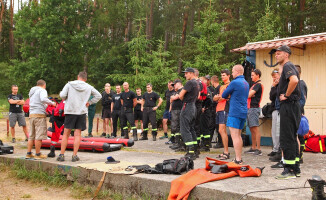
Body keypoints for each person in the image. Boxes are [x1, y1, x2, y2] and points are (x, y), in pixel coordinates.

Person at [57, 71, 101, 162]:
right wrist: (90, 102)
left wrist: (66, 97)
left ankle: (61, 155)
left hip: (70, 111)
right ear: (85, 79)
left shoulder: (69, 84)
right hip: (81, 112)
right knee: (77, 134)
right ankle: (74, 155)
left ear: (78, 77)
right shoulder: (89, 87)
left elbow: (62, 95)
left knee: (66, 134)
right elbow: (98, 95)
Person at [274, 45, 301, 179]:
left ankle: (289, 170)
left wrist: (286, 94)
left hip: (289, 105)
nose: (276, 55)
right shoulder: (286, 67)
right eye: (276, 53)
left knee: (287, 137)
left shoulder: (288, 66)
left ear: (286, 54)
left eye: (279, 53)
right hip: (292, 106)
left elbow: (294, 80)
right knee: (291, 136)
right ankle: (295, 168)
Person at [222, 65, 249, 164]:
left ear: (237, 72)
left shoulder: (234, 82)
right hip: (243, 111)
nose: (232, 73)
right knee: (239, 135)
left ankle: (238, 159)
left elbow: (224, 95)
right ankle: (239, 158)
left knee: (234, 136)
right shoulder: (246, 83)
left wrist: (230, 95)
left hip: (234, 111)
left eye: (233, 71)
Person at [26, 80, 56, 159]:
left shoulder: (32, 92)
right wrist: (52, 103)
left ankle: (28, 153)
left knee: (31, 135)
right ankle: (38, 154)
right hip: (39, 115)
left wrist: (46, 105)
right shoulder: (42, 90)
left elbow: (38, 102)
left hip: (31, 114)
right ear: (44, 85)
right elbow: (43, 99)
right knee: (39, 135)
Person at [179, 67, 199, 160]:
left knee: (185, 129)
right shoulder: (197, 83)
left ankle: (190, 152)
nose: (185, 75)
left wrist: (184, 101)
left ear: (191, 73)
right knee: (191, 129)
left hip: (187, 106)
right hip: (193, 106)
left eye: (186, 73)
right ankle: (195, 150)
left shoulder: (190, 82)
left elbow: (180, 95)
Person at [245, 69, 264, 156]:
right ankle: (253, 147)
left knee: (255, 128)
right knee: (252, 128)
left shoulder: (258, 85)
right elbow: (249, 95)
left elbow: (248, 95)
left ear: (257, 75)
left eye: (253, 75)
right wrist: (249, 94)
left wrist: (250, 94)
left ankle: (259, 149)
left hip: (254, 108)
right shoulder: (254, 85)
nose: (251, 77)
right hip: (249, 108)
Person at [214, 69, 231, 159]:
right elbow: (214, 98)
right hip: (219, 109)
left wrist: (218, 98)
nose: (222, 77)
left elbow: (224, 97)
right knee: (220, 130)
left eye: (224, 75)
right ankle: (225, 151)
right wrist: (218, 97)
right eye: (221, 75)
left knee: (222, 130)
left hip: (225, 108)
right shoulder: (221, 87)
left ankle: (226, 152)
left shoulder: (229, 85)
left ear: (228, 76)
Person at [268, 68, 282, 163]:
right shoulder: (274, 86)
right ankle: (275, 148)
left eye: (275, 77)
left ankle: (279, 150)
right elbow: (271, 96)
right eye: (273, 77)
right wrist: (273, 86)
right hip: (274, 109)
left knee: (278, 131)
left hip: (280, 109)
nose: (274, 79)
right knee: (274, 131)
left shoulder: (282, 85)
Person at [199, 77, 212, 152]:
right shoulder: (202, 89)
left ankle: (207, 145)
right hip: (202, 111)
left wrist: (204, 107)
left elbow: (209, 100)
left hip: (206, 111)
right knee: (201, 128)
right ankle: (203, 143)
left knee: (205, 128)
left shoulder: (207, 90)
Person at [169, 79, 183, 148]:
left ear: (179, 83)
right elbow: (171, 98)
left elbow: (176, 97)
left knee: (179, 126)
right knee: (175, 127)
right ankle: (177, 142)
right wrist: (173, 97)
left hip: (179, 110)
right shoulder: (176, 91)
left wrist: (174, 97)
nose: (174, 86)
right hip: (174, 110)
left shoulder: (182, 90)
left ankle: (180, 143)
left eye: (174, 84)